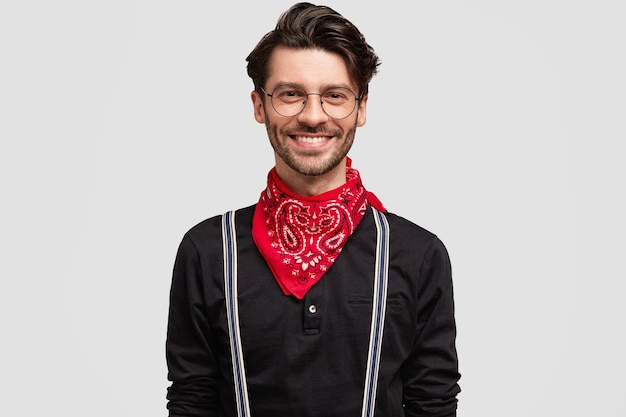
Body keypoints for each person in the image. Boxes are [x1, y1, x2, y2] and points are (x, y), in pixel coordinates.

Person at [165, 2, 461, 416]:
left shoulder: (417, 253)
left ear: (360, 108)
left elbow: (433, 402)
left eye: (335, 96)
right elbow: (191, 400)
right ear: (258, 105)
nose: (313, 115)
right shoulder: (208, 249)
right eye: (290, 94)